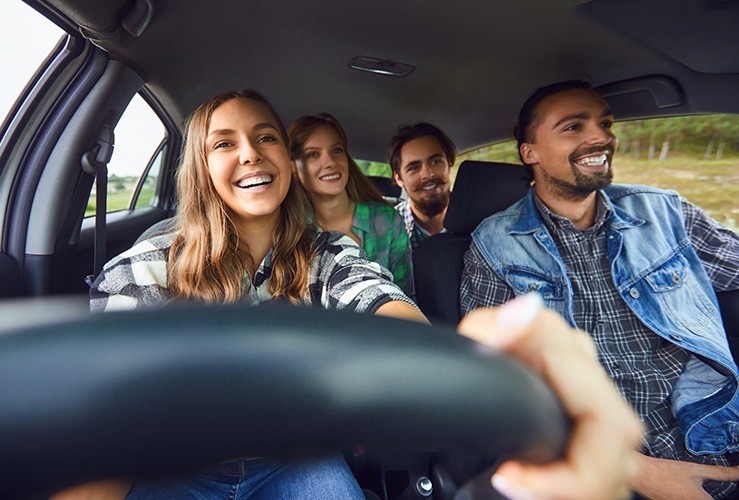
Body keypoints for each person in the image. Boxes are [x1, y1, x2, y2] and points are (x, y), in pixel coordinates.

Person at [64, 87, 642, 500]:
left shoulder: (327, 252)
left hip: (292, 459)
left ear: (282, 163)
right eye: (224, 144)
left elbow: (378, 299)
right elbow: (107, 424)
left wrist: (461, 367)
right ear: (198, 167)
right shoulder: (144, 269)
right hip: (173, 466)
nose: (249, 153)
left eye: (265, 137)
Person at [460, 79, 739, 499]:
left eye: (604, 123)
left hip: (717, 422)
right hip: (599, 461)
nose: (602, 137)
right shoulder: (494, 244)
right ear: (529, 152)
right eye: (573, 126)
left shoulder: (664, 211)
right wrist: (634, 470)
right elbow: (495, 384)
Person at [288, 113, 414, 297]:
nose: (330, 162)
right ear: (293, 168)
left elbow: (406, 293)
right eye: (313, 154)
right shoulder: (292, 231)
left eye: (337, 150)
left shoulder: (386, 219)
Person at [386, 123, 456, 250]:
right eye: (414, 168)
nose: (428, 174)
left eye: (435, 162)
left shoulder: (479, 223)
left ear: (449, 163)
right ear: (399, 178)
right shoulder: (387, 231)